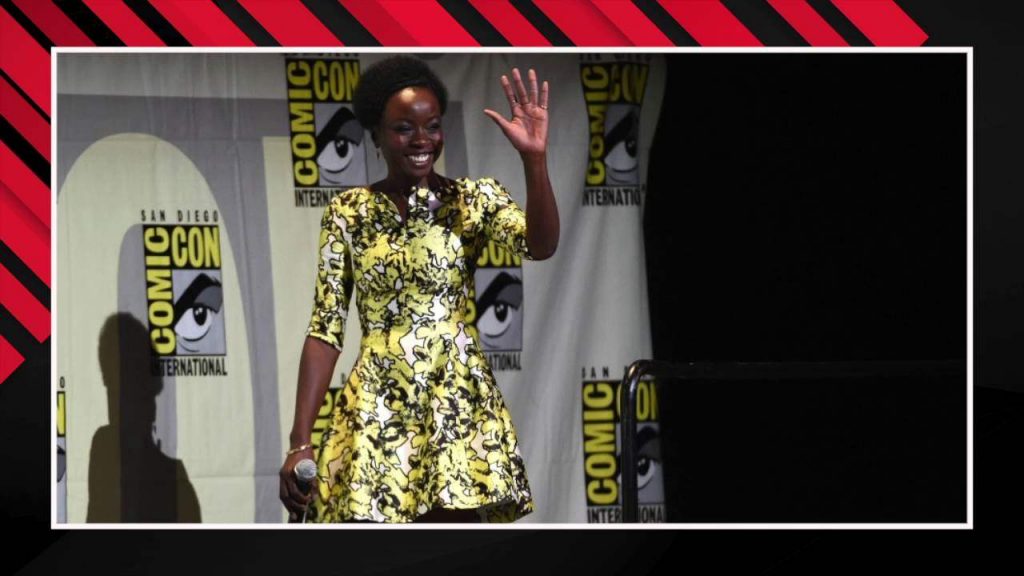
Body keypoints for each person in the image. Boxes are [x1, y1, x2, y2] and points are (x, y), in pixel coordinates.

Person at [279, 56, 559, 523]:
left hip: (455, 407)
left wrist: (534, 160)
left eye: (432, 126)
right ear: (376, 134)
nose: (422, 140)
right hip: (376, 407)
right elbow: (325, 329)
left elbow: (541, 245)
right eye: (404, 128)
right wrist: (299, 442)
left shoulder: (473, 200)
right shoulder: (348, 212)